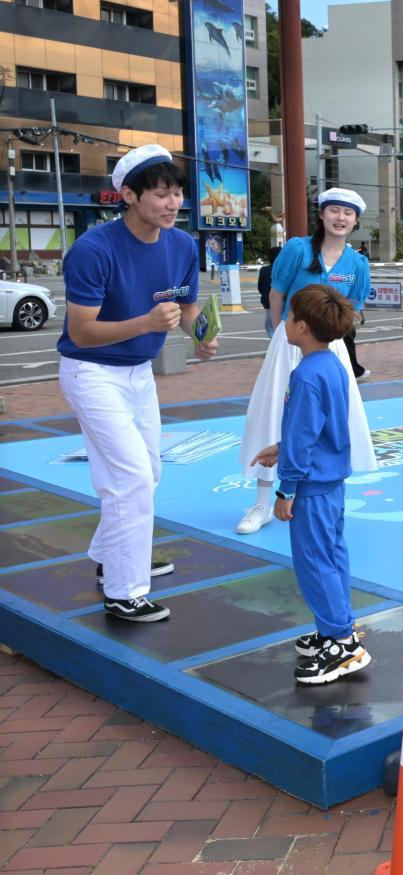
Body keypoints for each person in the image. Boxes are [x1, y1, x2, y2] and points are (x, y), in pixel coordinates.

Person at [57, 144, 219, 623]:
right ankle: (124, 591)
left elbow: (186, 307)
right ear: (128, 195)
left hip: (138, 373)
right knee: (128, 477)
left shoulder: (182, 245)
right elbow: (82, 332)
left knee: (146, 473)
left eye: (177, 194)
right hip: (91, 372)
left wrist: (201, 336)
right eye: (161, 194)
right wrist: (147, 323)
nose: (172, 204)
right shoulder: (93, 249)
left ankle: (114, 553)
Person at [249, 285, 372, 683]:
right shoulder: (333, 365)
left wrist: (286, 489)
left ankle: (342, 644)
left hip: (311, 486)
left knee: (314, 563)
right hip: (331, 480)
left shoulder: (305, 375)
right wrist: (282, 449)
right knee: (333, 556)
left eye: (288, 317)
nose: (283, 322)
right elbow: (315, 430)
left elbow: (303, 435)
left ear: (302, 326)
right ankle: (337, 624)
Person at [236, 189, 376, 536]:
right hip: (289, 342)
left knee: (332, 418)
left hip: (332, 348)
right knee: (274, 415)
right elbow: (277, 293)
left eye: (348, 213)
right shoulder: (298, 249)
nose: (340, 218)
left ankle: (323, 492)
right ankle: (262, 502)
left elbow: (354, 306)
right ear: (322, 215)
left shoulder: (357, 263)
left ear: (356, 220)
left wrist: (335, 335)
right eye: (334, 211)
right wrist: (281, 331)